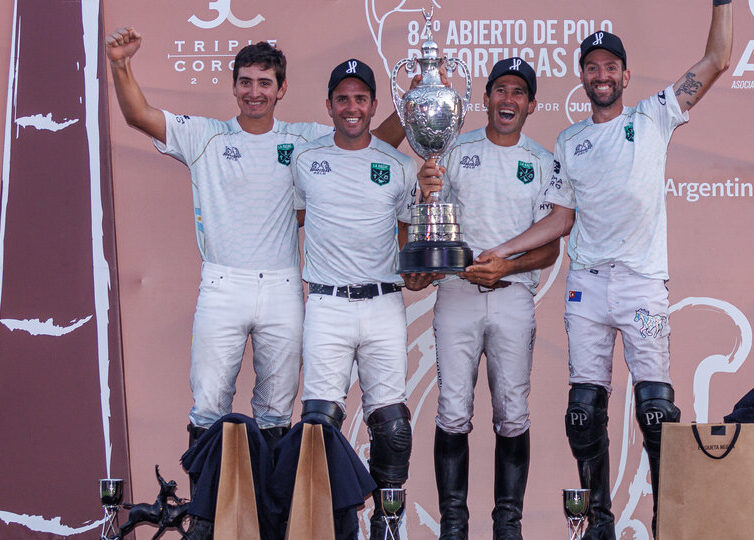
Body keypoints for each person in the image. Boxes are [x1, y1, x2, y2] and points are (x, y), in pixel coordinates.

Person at [480, 3, 733, 538]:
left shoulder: (654, 115)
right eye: (591, 67)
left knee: (657, 411)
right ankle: (598, 523)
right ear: (583, 77)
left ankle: (670, 519)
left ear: (625, 74)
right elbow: (560, 219)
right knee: (583, 412)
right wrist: (503, 250)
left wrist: (722, 5)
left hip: (642, 285)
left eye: (609, 66)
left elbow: (717, 58)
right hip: (588, 288)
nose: (601, 75)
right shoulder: (570, 143)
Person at [105, 29, 408, 459]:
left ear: (281, 89)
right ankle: (205, 520)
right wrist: (120, 64)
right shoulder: (205, 136)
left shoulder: (305, 141)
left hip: (284, 286)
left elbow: (367, 144)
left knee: (275, 411)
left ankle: (269, 516)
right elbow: (139, 115)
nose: (254, 92)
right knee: (209, 406)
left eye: (265, 83)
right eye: (245, 82)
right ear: (233, 86)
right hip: (223, 284)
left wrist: (416, 104)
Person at [290, 58, 434, 540]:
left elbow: (409, 237)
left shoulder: (399, 165)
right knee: (318, 425)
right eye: (342, 98)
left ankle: (387, 524)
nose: (352, 107)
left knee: (391, 424)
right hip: (326, 305)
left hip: (382, 304)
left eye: (361, 98)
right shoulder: (306, 160)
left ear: (374, 106)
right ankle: (335, 522)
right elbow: (288, 221)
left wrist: (418, 272)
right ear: (329, 105)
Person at [416, 58, 558, 539]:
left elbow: (550, 244)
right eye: (501, 89)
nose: (508, 100)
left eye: (519, 92)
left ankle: (507, 525)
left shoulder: (541, 162)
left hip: (513, 297)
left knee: (512, 413)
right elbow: (431, 221)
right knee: (453, 412)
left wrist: (507, 266)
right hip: (456, 292)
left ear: (532, 104)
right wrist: (425, 194)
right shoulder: (454, 151)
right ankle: (454, 525)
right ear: (486, 98)